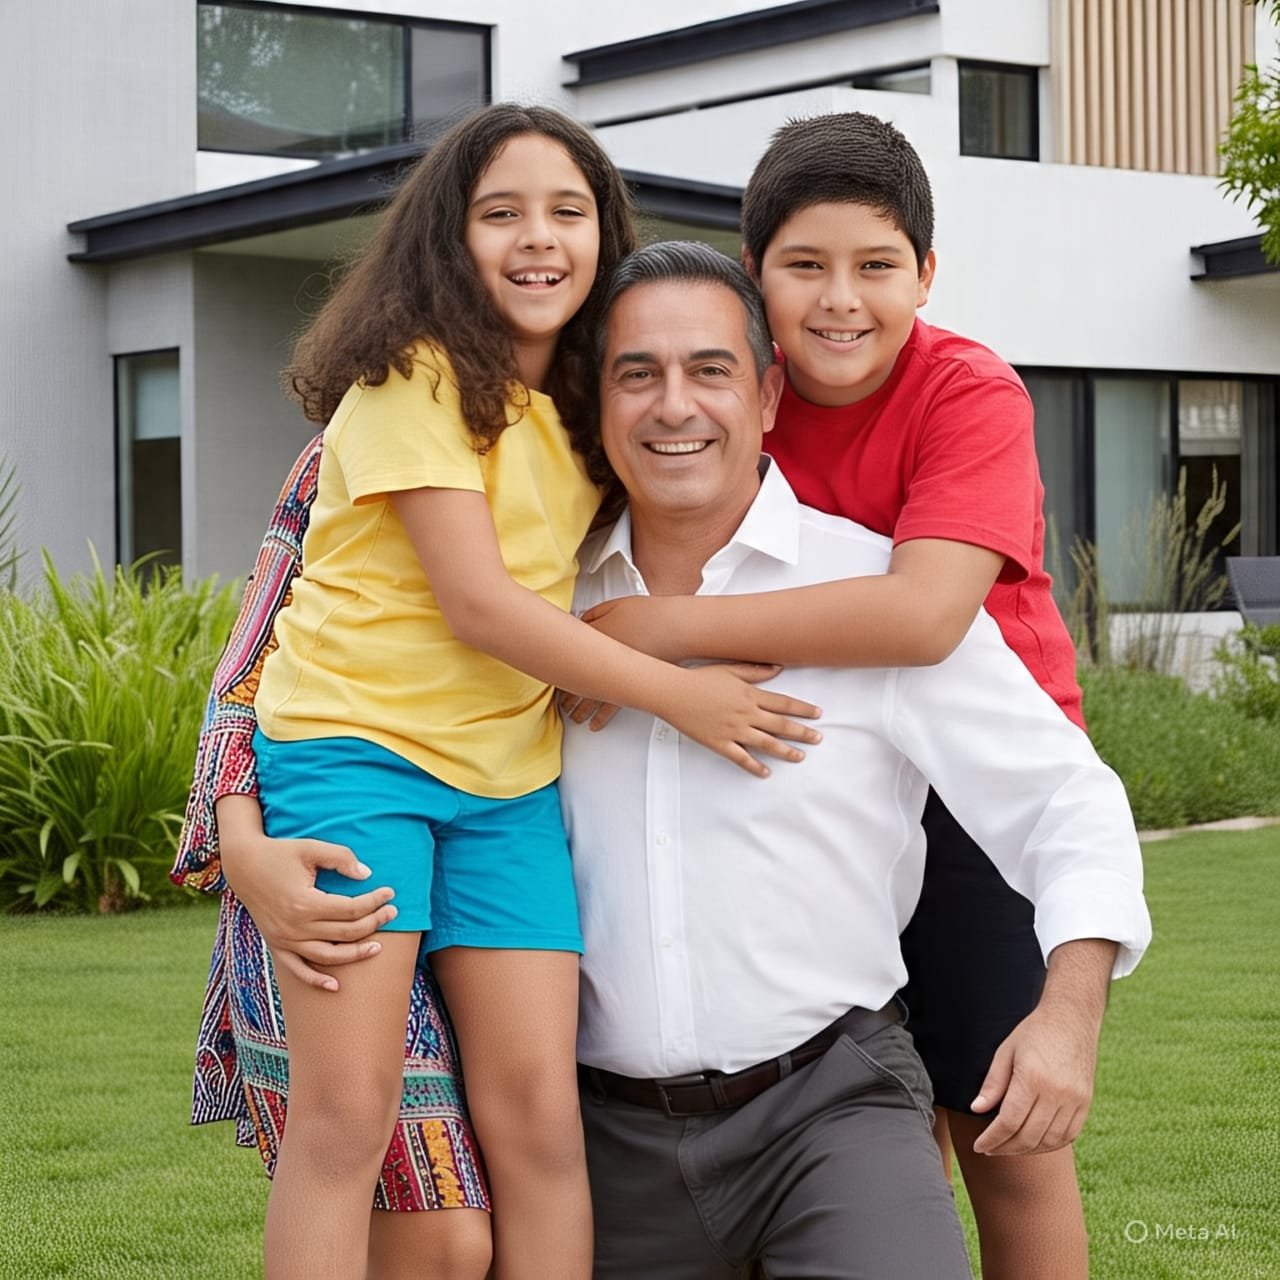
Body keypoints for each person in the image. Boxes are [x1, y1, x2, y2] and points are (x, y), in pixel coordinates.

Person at [188, 243, 1152, 1279]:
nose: (672, 405)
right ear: (590, 403)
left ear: (769, 393)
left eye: (708, 370)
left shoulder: (867, 592)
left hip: (830, 1109)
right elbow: (294, 667)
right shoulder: (522, 595)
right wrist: (238, 835)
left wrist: (1066, 1010)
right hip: (594, 1136)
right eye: (635, 373)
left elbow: (1065, 801)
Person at [177, 105, 821, 1280]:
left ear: (602, 236)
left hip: (507, 785)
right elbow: (479, 603)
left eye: (567, 211)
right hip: (356, 756)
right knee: (348, 1113)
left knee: (539, 1119)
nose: (538, 236)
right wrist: (681, 693)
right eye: (501, 212)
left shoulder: (587, 410)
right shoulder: (412, 376)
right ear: (448, 236)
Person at [573, 113, 1099, 1279]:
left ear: (923, 271)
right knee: (859, 1069)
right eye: (803, 267)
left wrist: (655, 641)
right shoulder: (716, 393)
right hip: (834, 785)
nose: (839, 300)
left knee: (1000, 1127)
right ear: (758, 286)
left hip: (962, 769)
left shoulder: (962, 389)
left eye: (874, 267)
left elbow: (918, 618)